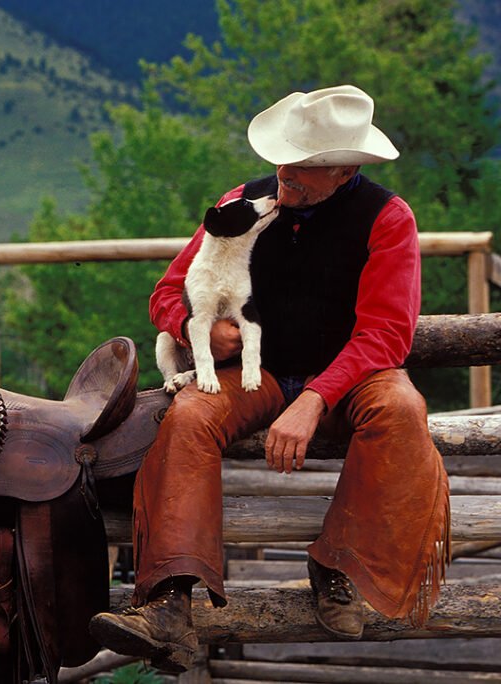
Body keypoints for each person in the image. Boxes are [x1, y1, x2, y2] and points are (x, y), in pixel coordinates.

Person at [89, 85, 450, 672]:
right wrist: (195, 329)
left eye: (302, 166)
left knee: (402, 409)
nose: (285, 173)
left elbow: (386, 334)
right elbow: (168, 292)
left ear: (344, 171)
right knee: (188, 414)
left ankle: (339, 566)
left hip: (350, 376)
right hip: (255, 373)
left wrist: (316, 398)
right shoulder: (239, 203)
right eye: (283, 159)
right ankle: (167, 601)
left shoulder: (388, 219)